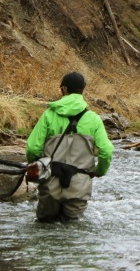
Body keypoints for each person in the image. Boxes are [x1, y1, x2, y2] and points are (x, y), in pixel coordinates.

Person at [26, 72, 114, 223]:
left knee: (45, 227)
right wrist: (99, 171)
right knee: (72, 228)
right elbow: (106, 151)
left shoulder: (49, 115)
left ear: (64, 89)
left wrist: (36, 165)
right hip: (79, 185)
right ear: (82, 91)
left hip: (50, 182)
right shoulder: (94, 119)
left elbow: (32, 148)